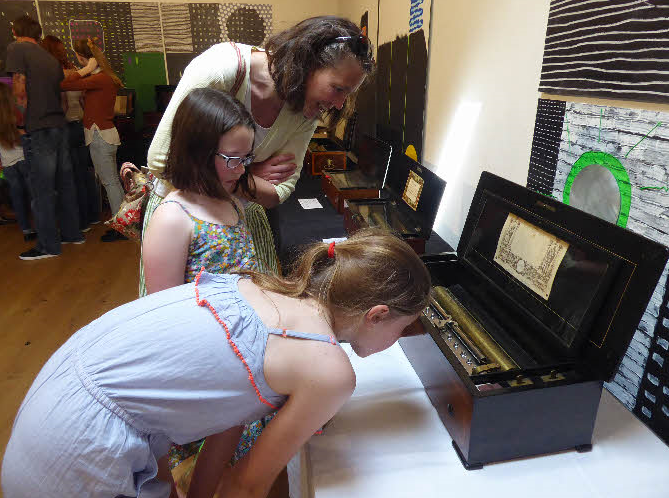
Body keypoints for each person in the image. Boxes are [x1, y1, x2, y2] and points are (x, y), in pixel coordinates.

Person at [2, 228, 430, 498]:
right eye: (401, 328)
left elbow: (228, 417)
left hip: (52, 413)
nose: (396, 341)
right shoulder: (328, 370)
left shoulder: (258, 290)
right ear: (376, 315)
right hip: (80, 454)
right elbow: (247, 485)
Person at [140, 15, 375, 295]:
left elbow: (281, 190)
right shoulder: (224, 68)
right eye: (338, 89)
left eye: (347, 95)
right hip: (183, 217)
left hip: (242, 216)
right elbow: (161, 160)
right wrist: (249, 174)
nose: (338, 104)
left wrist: (235, 172)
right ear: (308, 62)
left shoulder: (307, 108)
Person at [142, 88, 262, 295]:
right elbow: (165, 309)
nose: (242, 169)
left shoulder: (231, 202)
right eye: (233, 159)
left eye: (246, 158)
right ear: (197, 153)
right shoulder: (172, 218)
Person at [5, 15, 83, 259]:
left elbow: (19, 89)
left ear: (17, 31)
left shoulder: (17, 48)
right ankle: (73, 235)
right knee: (65, 184)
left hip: (38, 127)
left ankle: (48, 246)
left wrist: (20, 123)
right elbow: (59, 95)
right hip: (59, 124)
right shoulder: (49, 57)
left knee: (41, 189)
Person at [61, 38, 126, 242]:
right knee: (111, 182)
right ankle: (121, 225)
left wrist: (86, 68)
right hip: (102, 135)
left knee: (110, 182)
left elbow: (64, 84)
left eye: (79, 59)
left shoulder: (100, 78)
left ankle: (121, 228)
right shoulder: (102, 78)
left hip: (100, 136)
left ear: (84, 58)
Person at [41, 35, 100, 231]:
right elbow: (83, 99)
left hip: (66, 127)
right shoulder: (75, 71)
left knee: (72, 177)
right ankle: (93, 216)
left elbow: (63, 105)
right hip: (81, 124)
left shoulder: (56, 75)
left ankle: (81, 221)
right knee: (84, 172)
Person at [0, 82, 35, 241]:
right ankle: (42, 225)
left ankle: (27, 230)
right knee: (34, 194)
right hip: (23, 158)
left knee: (17, 197)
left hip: (7, 163)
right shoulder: (17, 113)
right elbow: (26, 133)